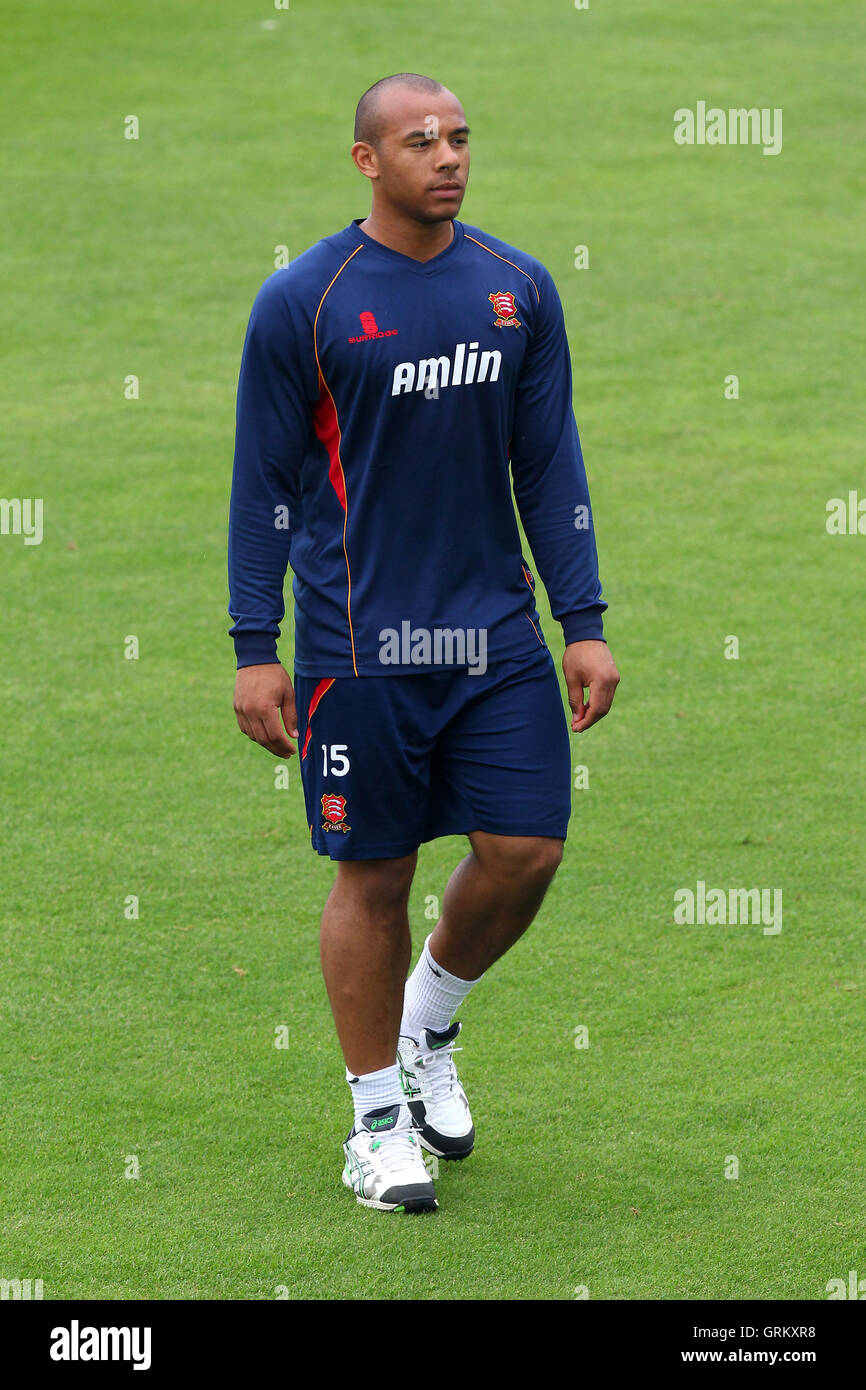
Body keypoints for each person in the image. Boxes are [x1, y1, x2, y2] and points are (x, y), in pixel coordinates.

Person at [228, 73, 620, 1214]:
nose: (447, 157)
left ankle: (427, 1023)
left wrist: (579, 622)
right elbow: (264, 489)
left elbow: (547, 466)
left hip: (492, 636)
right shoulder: (304, 299)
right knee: (375, 873)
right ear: (366, 161)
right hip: (358, 643)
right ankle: (374, 1126)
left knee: (525, 851)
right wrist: (258, 644)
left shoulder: (514, 289)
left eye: (457, 138)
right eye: (419, 141)